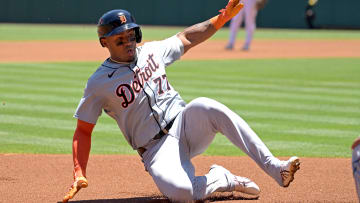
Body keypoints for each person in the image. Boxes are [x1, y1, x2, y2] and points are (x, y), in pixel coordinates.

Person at [62, 1, 300, 202]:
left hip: (185, 124)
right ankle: (222, 178)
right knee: (182, 194)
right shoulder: (98, 84)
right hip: (155, 150)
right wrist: (78, 171)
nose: (128, 43)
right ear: (105, 43)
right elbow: (83, 130)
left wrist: (221, 19)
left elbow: (187, 37)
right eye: (119, 40)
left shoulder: (152, 51)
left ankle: (276, 168)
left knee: (207, 105)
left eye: (131, 35)